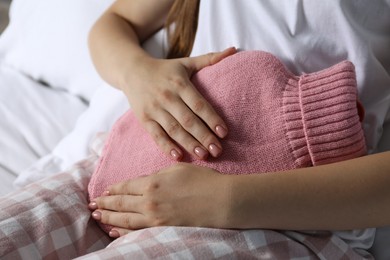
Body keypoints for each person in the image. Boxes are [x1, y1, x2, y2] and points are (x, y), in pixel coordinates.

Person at [0, 0, 389, 259]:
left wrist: (227, 200)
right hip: (130, 161)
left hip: (297, 218)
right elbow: (115, 22)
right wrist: (138, 73)